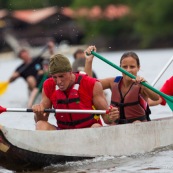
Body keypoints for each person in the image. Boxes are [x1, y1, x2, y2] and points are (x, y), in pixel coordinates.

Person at [32, 54, 119, 130]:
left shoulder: (92, 84)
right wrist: (38, 113)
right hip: (63, 132)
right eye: (54, 77)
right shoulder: (48, 85)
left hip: (88, 130)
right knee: (40, 125)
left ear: (70, 72)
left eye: (61, 76)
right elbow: (41, 119)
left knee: (96, 126)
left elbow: (106, 120)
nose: (58, 81)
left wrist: (112, 117)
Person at [84, 45, 160, 124]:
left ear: (138, 68)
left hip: (138, 125)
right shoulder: (113, 82)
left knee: (136, 123)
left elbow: (156, 98)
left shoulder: (142, 84)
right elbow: (89, 85)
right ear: (119, 67)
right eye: (124, 67)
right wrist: (89, 61)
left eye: (132, 67)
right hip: (118, 127)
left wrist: (144, 86)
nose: (128, 70)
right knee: (111, 123)